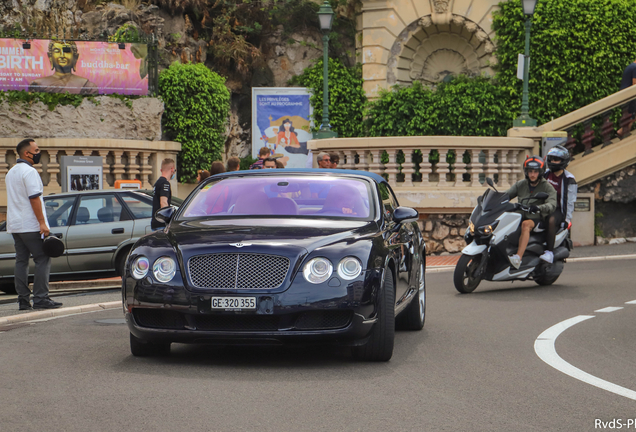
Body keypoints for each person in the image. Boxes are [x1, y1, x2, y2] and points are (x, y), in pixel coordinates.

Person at [6, 138, 63, 310]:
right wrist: (42, 223)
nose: (39, 153)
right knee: (42, 259)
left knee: (21, 261)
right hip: (30, 224)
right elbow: (34, 199)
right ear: (26, 153)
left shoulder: (12, 172)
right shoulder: (29, 172)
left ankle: (23, 300)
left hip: (15, 224)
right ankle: (41, 298)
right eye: (36, 150)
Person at [505, 155, 557, 269]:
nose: (532, 174)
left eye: (535, 172)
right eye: (530, 171)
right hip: (520, 215)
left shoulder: (547, 187)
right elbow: (506, 195)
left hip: (537, 218)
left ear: (540, 172)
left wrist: (539, 208)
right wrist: (492, 200)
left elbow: (552, 204)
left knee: (525, 225)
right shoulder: (521, 184)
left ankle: (518, 258)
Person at [541, 145, 577, 263]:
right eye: (551, 159)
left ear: (563, 161)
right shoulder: (545, 174)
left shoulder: (569, 179)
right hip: (543, 206)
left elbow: (570, 201)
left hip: (557, 210)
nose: (553, 162)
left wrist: (566, 220)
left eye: (556, 159)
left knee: (551, 220)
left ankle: (549, 252)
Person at [29, 41, 99, 95]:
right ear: (50, 57)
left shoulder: (88, 86)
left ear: (75, 57)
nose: (62, 55)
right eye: (57, 51)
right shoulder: (38, 84)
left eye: (67, 51)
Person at [151, 158, 175, 231]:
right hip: (162, 225)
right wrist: (168, 221)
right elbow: (163, 202)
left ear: (161, 170)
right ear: (172, 169)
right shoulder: (165, 184)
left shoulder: (157, 183)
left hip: (155, 222)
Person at [618, 59, 636, 137]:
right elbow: (634, 84)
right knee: (632, 115)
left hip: (624, 95)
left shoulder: (630, 66)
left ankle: (624, 132)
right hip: (629, 96)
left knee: (631, 115)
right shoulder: (635, 67)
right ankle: (622, 131)